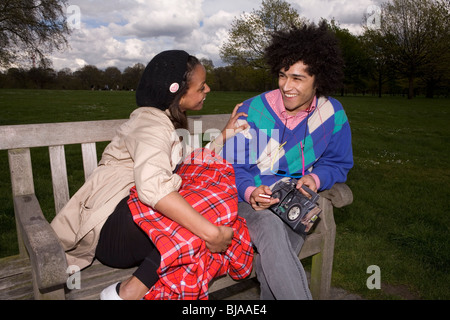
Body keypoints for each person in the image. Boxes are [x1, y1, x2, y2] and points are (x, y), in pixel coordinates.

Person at [51, 50, 250, 300]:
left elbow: (190, 163)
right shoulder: (150, 125)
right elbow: (154, 189)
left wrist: (223, 135)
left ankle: (143, 284)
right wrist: (213, 234)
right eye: (201, 87)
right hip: (112, 234)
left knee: (203, 194)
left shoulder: (162, 121)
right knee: (202, 211)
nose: (207, 89)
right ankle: (129, 292)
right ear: (176, 91)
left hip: (133, 227)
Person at [221, 22, 354, 300]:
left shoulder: (332, 114)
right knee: (269, 227)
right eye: (282, 76)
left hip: (292, 206)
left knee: (271, 259)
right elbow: (232, 167)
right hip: (244, 202)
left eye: (297, 78)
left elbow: (338, 163)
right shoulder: (253, 111)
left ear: (319, 79)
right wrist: (250, 192)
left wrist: (316, 179)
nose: (286, 86)